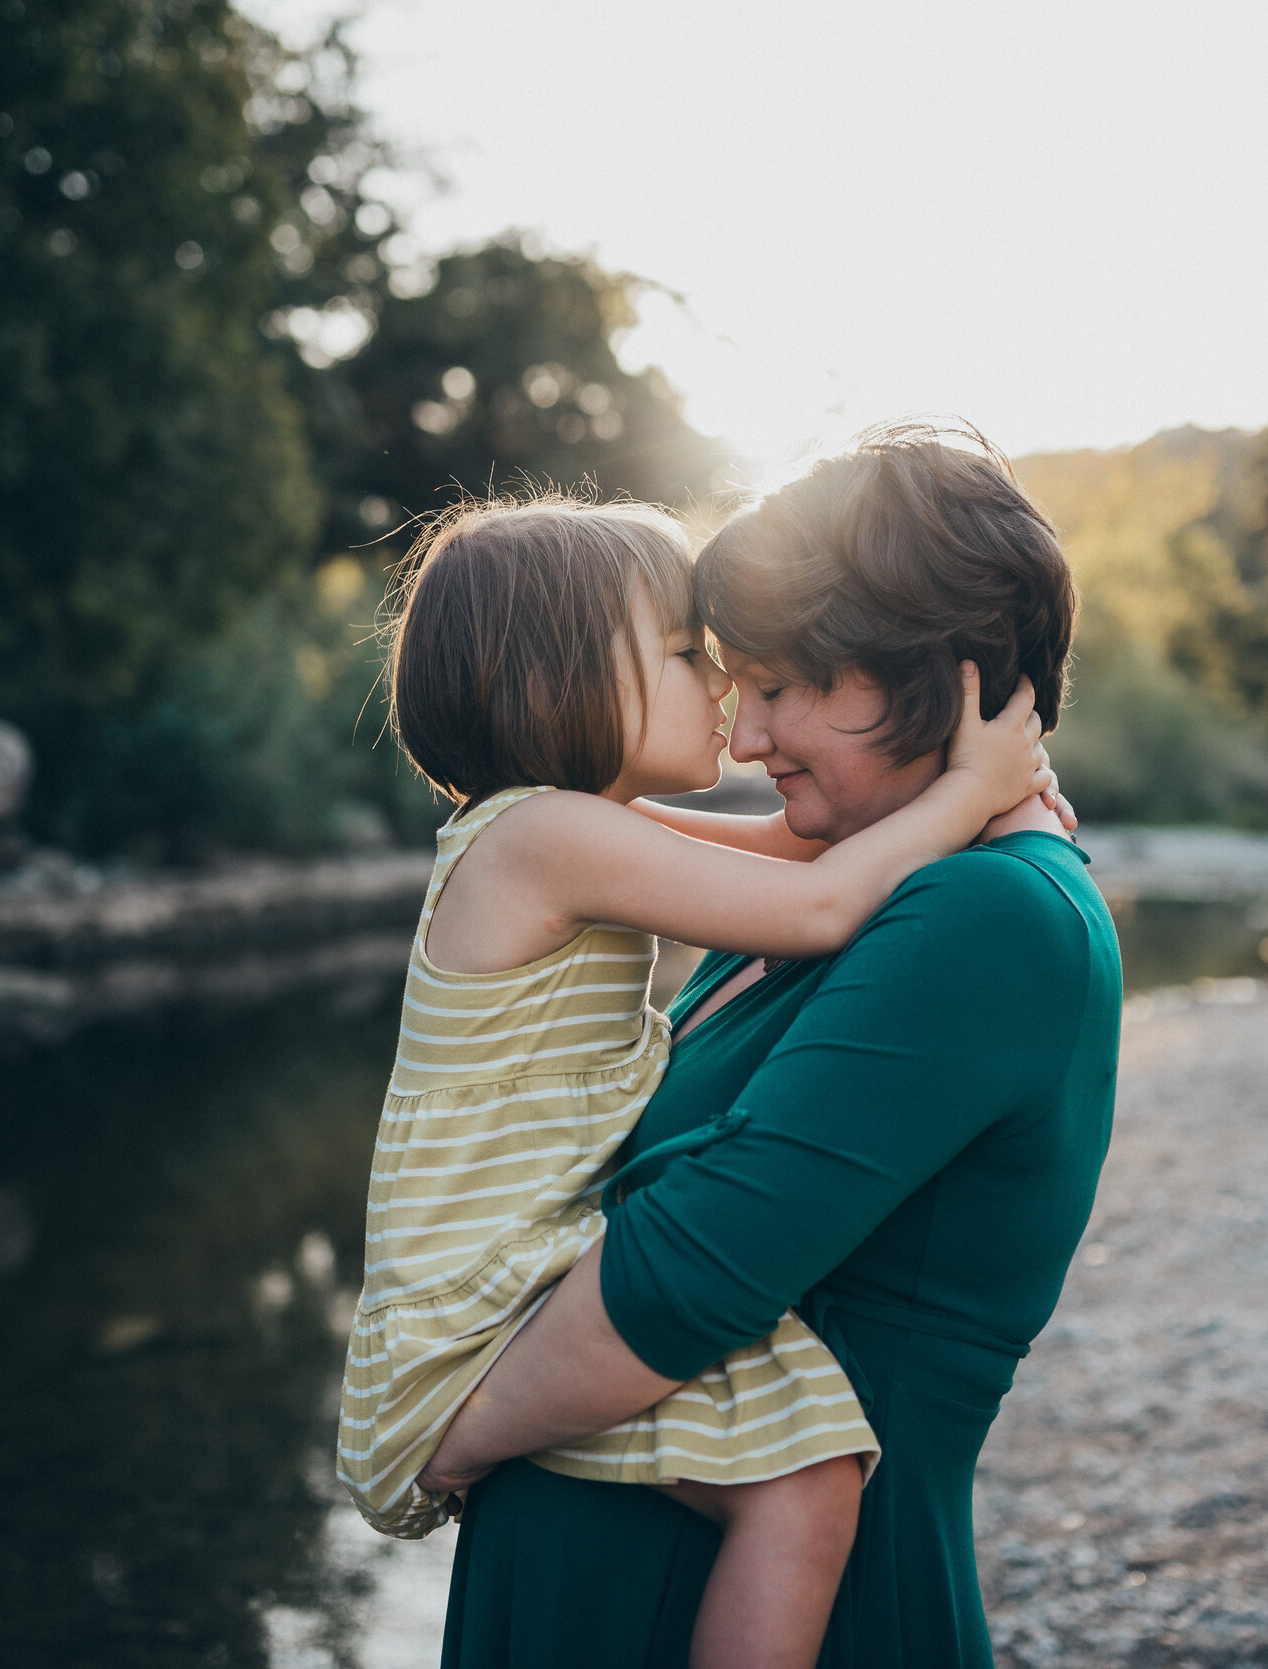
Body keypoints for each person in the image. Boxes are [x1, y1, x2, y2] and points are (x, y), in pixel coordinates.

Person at [421, 428, 1123, 1669]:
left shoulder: (987, 916)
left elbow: (690, 1265)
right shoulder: (890, 882)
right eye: (734, 680)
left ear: (944, 679)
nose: (744, 737)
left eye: (787, 685)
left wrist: (457, 1435)